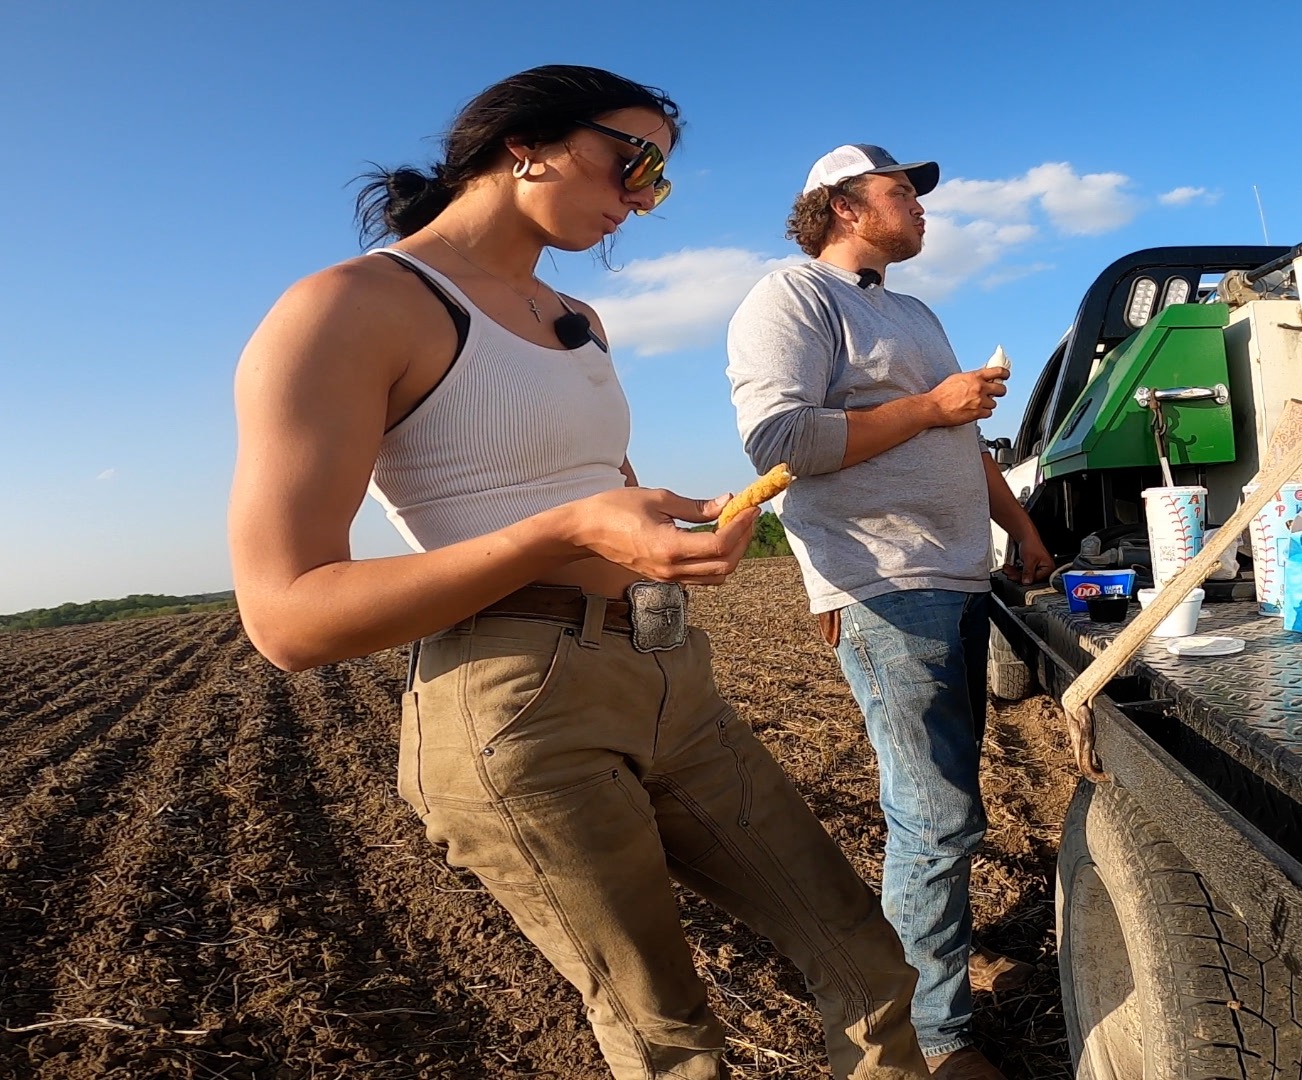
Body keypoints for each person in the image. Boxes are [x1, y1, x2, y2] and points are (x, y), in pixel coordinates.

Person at [227, 68, 927, 1080]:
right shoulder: (350, 307)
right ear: (524, 144)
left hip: (663, 669)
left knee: (862, 954)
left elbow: (604, 490)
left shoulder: (578, 318)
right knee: (670, 1038)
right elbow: (288, 619)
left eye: (658, 185)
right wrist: (567, 531)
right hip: (516, 707)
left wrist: (681, 533)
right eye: (633, 161)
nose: (639, 199)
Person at [725, 144, 1057, 1080]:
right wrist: (928, 406)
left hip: (955, 575)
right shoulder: (791, 298)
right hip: (882, 582)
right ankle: (933, 1039)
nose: (920, 207)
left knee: (946, 803)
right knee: (936, 814)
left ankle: (929, 975)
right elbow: (782, 440)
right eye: (901, 192)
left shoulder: (911, 311)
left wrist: (1021, 531)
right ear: (840, 207)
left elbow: (967, 437)